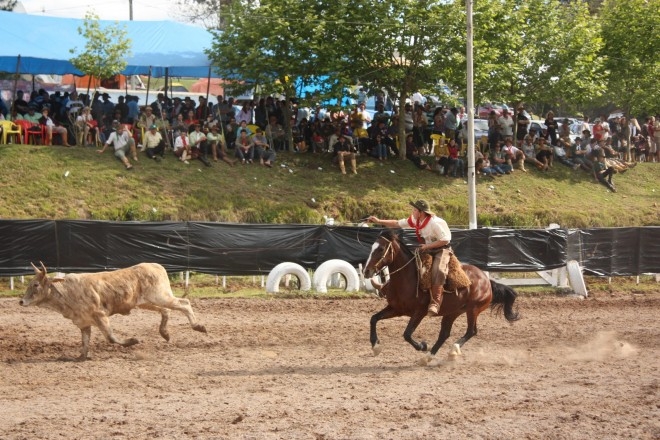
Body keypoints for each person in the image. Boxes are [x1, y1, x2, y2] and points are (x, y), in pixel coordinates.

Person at [367, 199, 452, 316]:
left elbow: (445, 240)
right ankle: (385, 287)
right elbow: (397, 223)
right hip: (426, 248)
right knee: (407, 265)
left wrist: (427, 246)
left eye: (415, 210)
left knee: (438, 270)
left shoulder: (435, 223)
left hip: (442, 249)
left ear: (421, 212)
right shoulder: (416, 220)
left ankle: (435, 303)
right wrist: (378, 220)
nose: (413, 212)